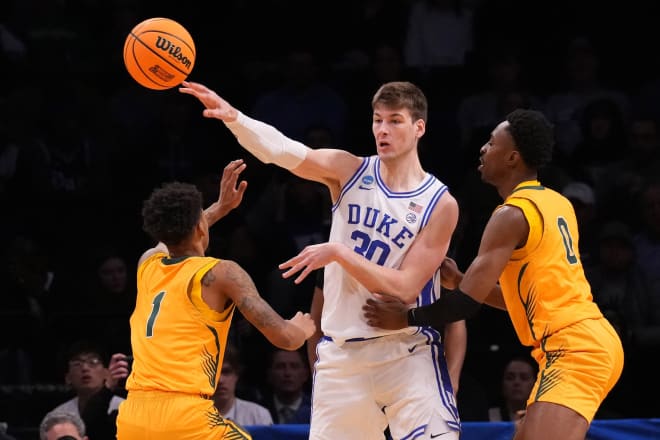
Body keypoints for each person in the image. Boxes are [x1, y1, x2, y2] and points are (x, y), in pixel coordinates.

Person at [181, 80, 463, 439]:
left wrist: (339, 253)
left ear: (419, 127)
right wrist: (235, 118)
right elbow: (282, 151)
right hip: (343, 357)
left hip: (406, 353)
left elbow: (406, 287)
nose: (383, 130)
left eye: (395, 121)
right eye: (377, 120)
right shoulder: (348, 170)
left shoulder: (440, 203)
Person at [362, 109, 625, 440]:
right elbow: (520, 301)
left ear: (513, 157)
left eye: (491, 143)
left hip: (574, 349)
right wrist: (459, 280)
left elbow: (463, 306)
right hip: (586, 339)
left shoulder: (511, 215)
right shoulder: (557, 203)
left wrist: (405, 317)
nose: (483, 149)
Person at [115, 159, 315, 440]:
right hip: (185, 416)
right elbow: (285, 338)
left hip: (133, 416)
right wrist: (302, 329)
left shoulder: (147, 264)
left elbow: (172, 234)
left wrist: (220, 207)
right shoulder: (220, 272)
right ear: (199, 226)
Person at [50, 339, 129, 440]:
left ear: (107, 372)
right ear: (68, 378)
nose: (85, 368)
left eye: (93, 362)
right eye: (77, 363)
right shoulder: (57, 417)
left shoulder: (124, 408)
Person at [213, 344, 274, 427]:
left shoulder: (258, 414)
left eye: (226, 372)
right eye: (214, 374)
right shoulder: (192, 416)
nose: (220, 380)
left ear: (236, 375)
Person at [260, 347, 312, 424]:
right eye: (280, 367)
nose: (287, 373)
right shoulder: (258, 410)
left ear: (305, 375)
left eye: (294, 367)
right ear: (270, 375)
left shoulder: (317, 410)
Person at [488, 355, 537, 422]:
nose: (516, 382)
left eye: (524, 378)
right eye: (510, 378)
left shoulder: (544, 416)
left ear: (535, 384)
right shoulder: (489, 416)